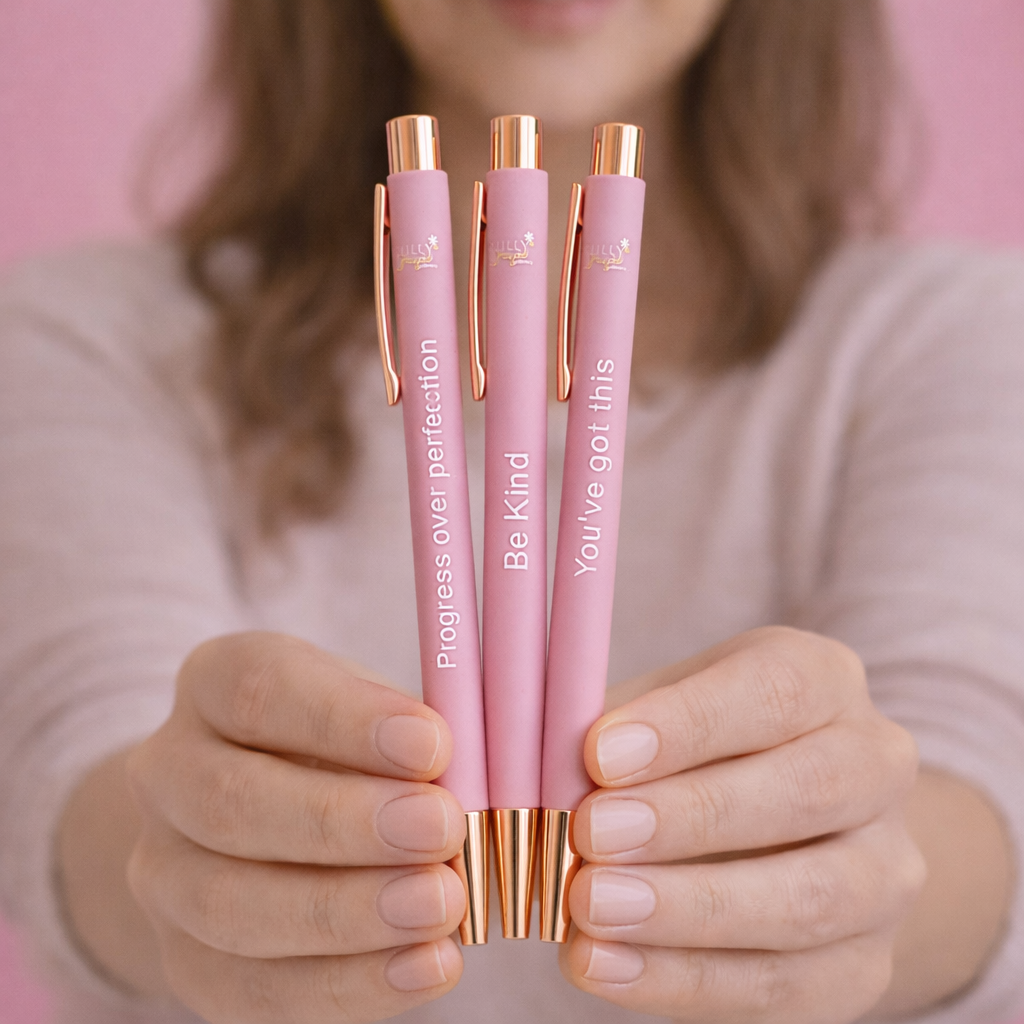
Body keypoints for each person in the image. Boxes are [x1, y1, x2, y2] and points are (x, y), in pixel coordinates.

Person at [1, 1, 1021, 1022]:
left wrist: (867, 882)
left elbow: (977, 781)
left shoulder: (957, 335)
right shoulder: (81, 340)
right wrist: (180, 862)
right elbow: (81, 764)